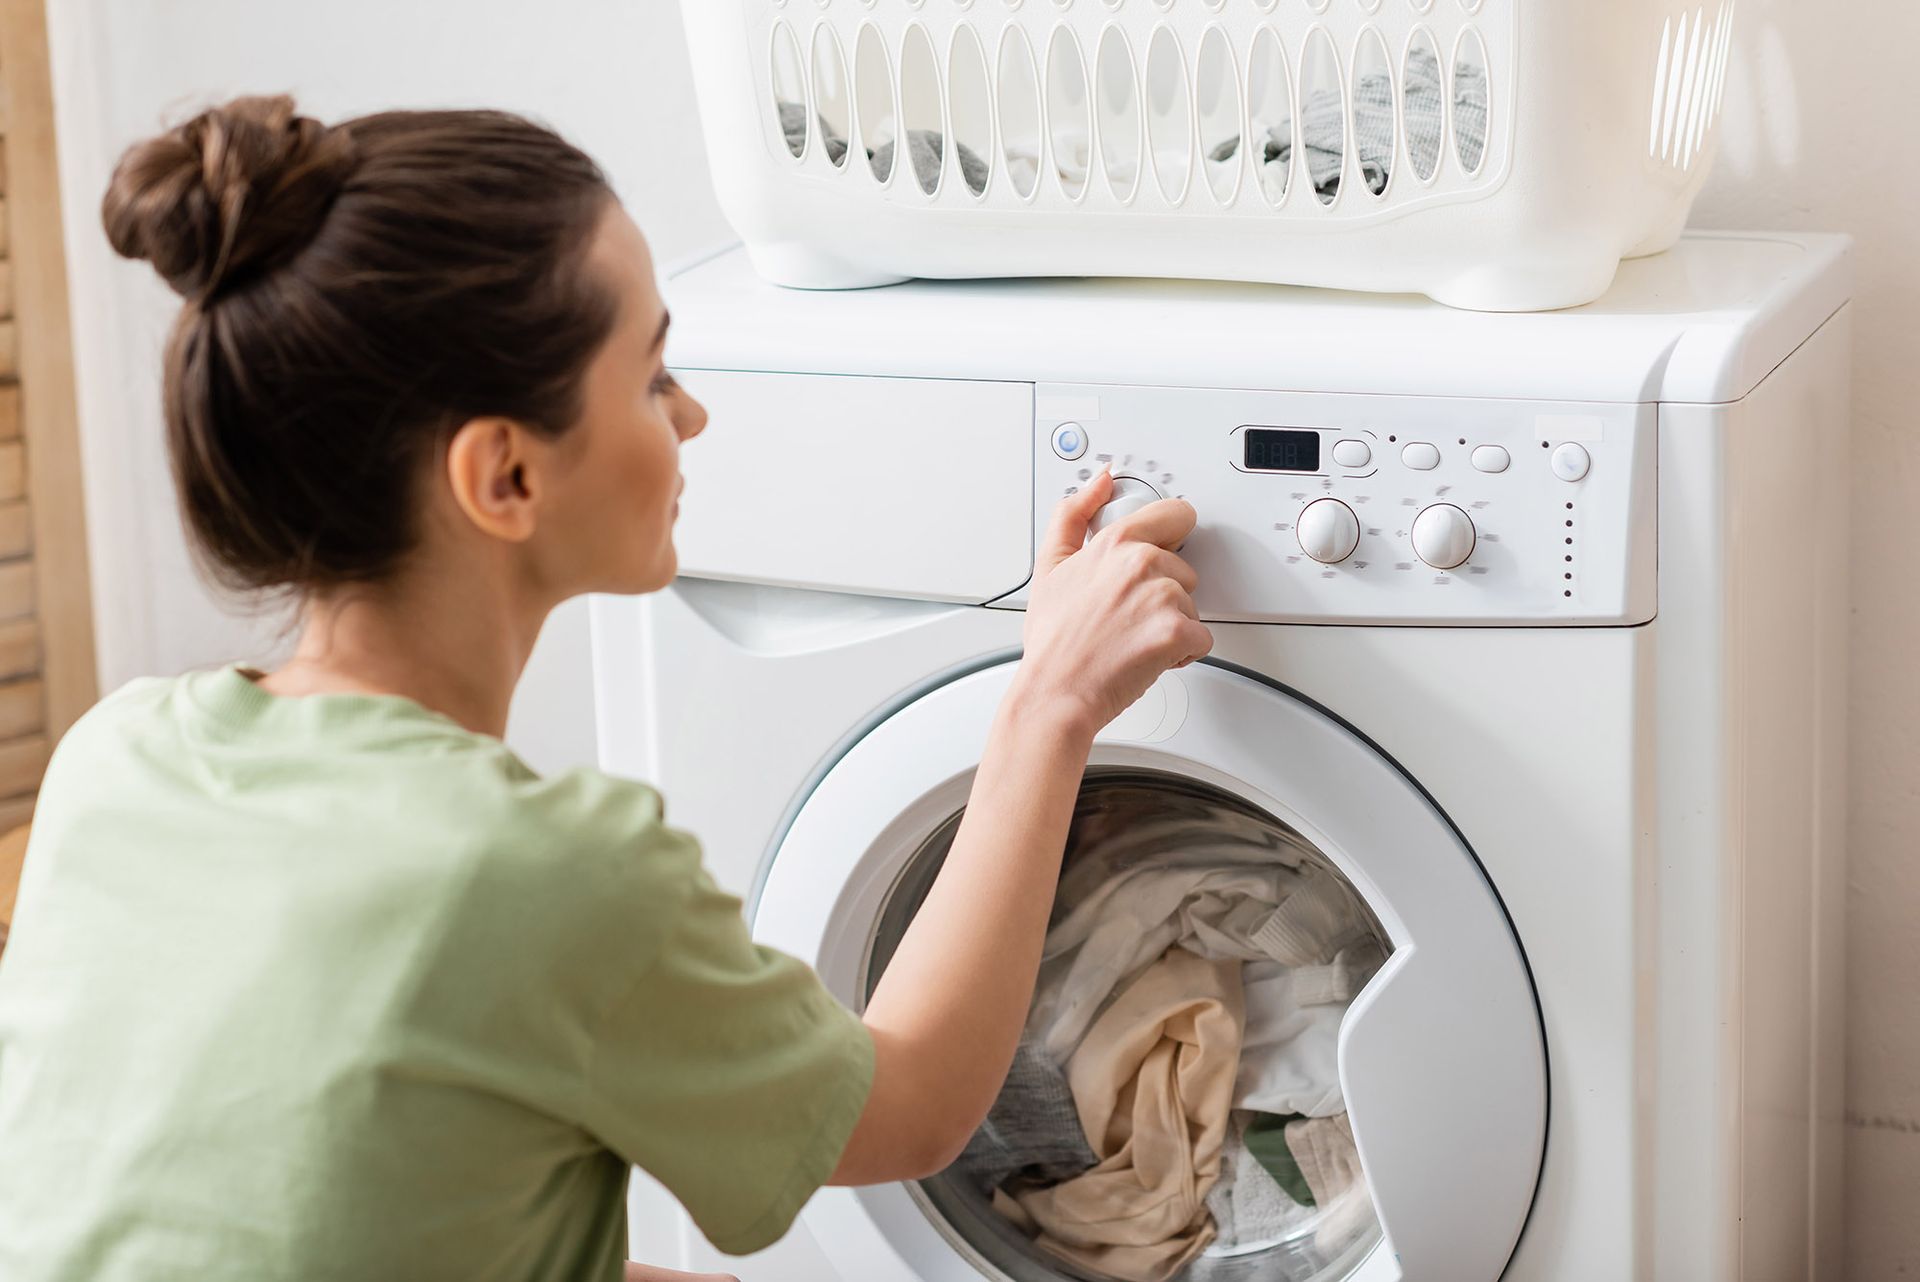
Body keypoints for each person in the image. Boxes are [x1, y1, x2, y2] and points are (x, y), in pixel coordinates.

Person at [0, 97, 1209, 1282]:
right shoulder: (540, 871)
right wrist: (1049, 702)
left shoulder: (116, 758)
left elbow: (259, 1187)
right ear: (506, 474)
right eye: (648, 376)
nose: (692, 412)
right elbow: (913, 1107)